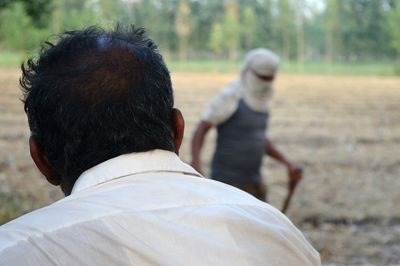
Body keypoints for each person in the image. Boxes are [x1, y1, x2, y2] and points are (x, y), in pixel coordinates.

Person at [0, 26, 320, 265]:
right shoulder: (279, 233)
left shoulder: (14, 250)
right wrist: (198, 163)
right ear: (177, 130)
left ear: (41, 159)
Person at [191, 48, 302, 202]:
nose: (265, 83)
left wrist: (287, 163)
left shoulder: (263, 100)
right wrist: (196, 163)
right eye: (262, 78)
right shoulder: (230, 97)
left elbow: (259, 139)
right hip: (226, 184)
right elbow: (201, 129)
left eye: (269, 79)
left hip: (254, 182)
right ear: (249, 72)